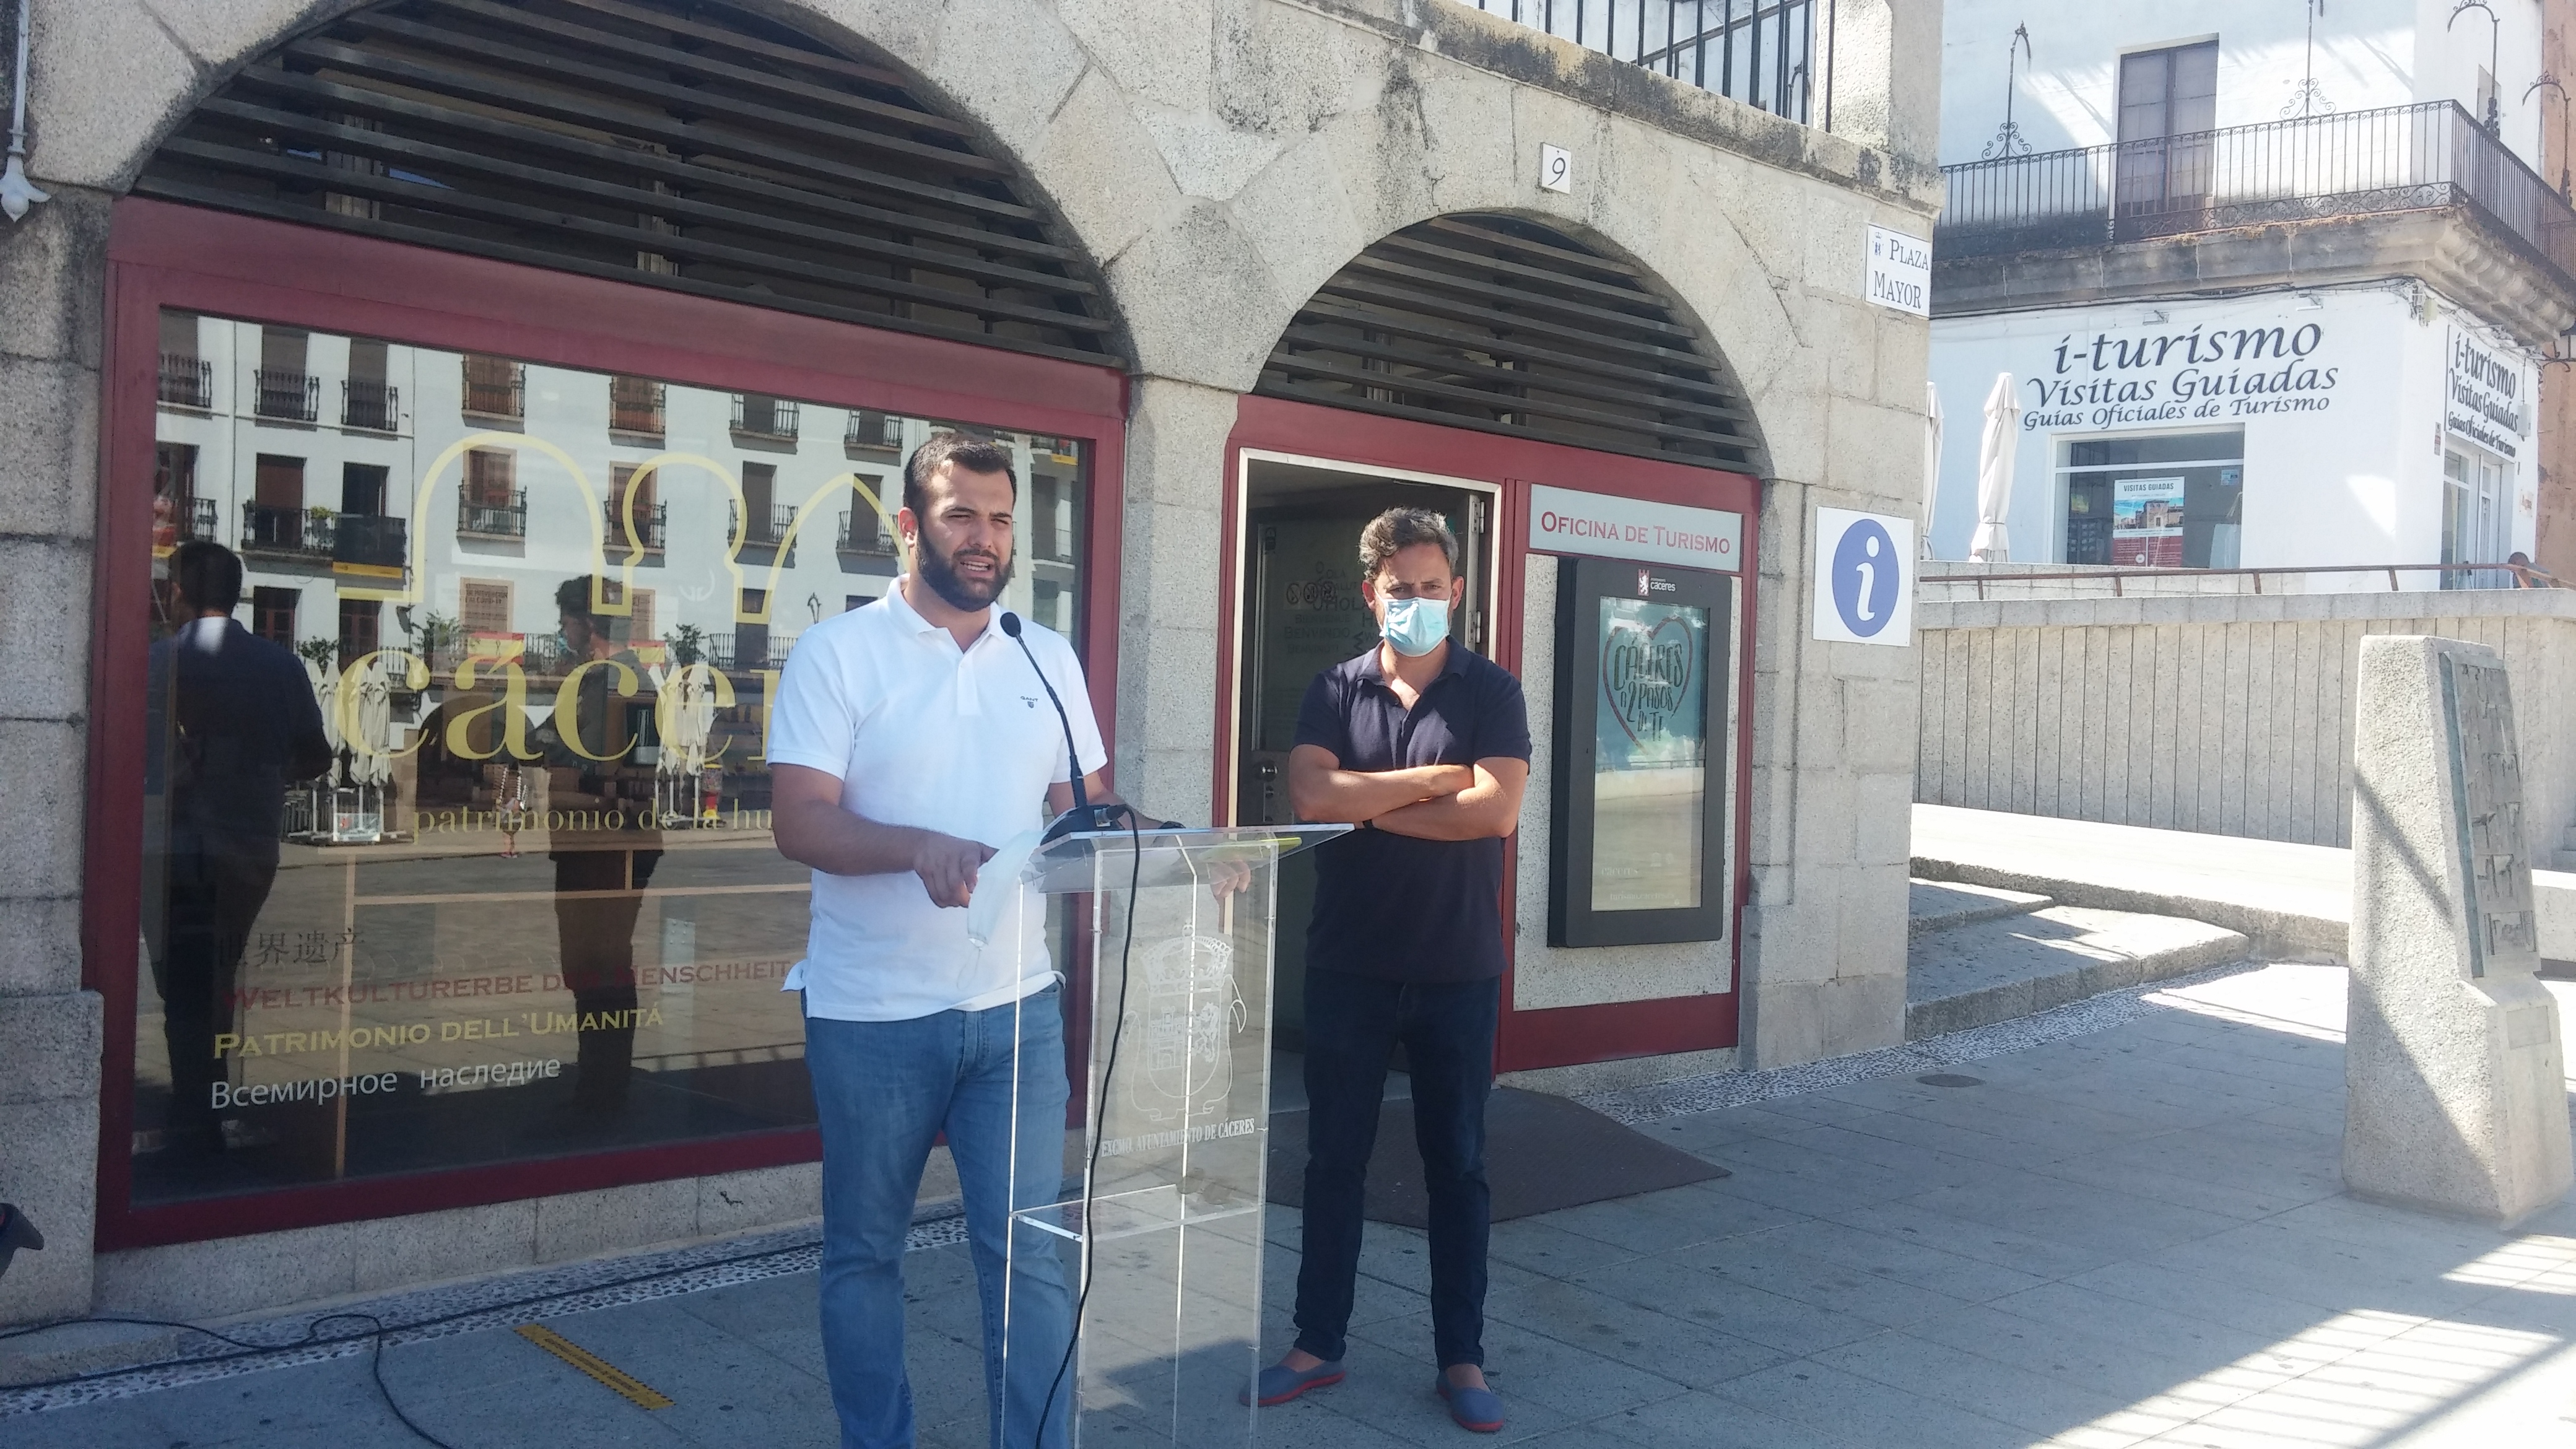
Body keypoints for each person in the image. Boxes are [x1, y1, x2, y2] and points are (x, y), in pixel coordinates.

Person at [768, 432, 1110, 1449]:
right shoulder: (840, 653)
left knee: (1031, 1255)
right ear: (912, 527)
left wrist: (1189, 851)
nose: (987, 539)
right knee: (866, 1255)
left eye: (1003, 519)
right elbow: (800, 821)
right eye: (963, 516)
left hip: (1018, 1013)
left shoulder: (1044, 657)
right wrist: (917, 845)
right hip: (872, 1016)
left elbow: (1086, 811)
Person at [1255, 507, 1531, 1434]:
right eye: (1399, 587)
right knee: (1334, 1159)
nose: (1416, 600)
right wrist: (1429, 783)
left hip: (1458, 969)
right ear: (1372, 594)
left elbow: (1495, 814)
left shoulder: (1491, 691)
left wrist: (1363, 807)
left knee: (1458, 1165)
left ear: (1458, 592)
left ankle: (1462, 1357)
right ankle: (1316, 1342)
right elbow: (1307, 794)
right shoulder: (1332, 691)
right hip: (1350, 967)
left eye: (1431, 586)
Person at [143, 541, 333, 1151]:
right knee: (220, 971)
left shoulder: (155, 663)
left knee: (184, 982)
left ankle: (194, 1112)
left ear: (179, 592)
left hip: (174, 844)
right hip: (251, 841)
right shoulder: (281, 667)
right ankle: (213, 1096)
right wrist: (260, 763)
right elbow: (316, 756)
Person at [537, 577, 663, 1120]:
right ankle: (605, 1085)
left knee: (596, 967)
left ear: (585, 624)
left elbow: (564, 749)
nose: (563, 632)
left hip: (602, 839)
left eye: (566, 621)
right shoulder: (635, 677)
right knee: (604, 965)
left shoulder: (602, 681)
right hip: (620, 837)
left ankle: (601, 1093)